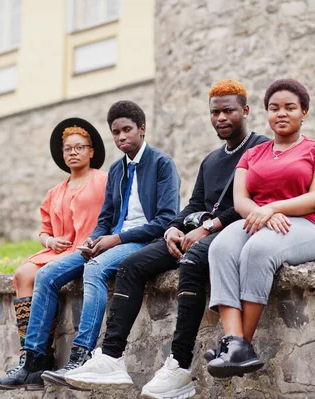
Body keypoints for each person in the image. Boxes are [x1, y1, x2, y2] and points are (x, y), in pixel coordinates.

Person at [65, 80, 270, 398]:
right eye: (215, 112)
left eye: (228, 110)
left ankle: (180, 366)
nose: (220, 118)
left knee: (191, 262)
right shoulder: (212, 160)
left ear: (245, 110)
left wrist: (208, 227)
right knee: (131, 265)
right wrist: (173, 227)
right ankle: (111, 358)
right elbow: (194, 203)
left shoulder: (261, 149)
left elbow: (254, 203)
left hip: (232, 233)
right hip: (193, 232)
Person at [0, 100, 181, 391]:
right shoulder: (117, 170)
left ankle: (81, 356)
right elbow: (105, 219)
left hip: (142, 241)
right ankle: (34, 362)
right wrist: (94, 240)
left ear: (142, 129)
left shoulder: (162, 164)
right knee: (47, 274)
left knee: (95, 269)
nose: (121, 137)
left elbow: (165, 220)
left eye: (127, 130)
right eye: (116, 132)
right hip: (111, 240)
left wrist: (115, 239)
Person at [206, 78, 315, 379]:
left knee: (259, 249)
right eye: (274, 108)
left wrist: (273, 208)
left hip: (310, 227)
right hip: (260, 220)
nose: (281, 113)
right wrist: (264, 214)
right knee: (221, 247)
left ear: (303, 112)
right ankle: (232, 342)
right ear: (266, 113)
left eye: (290, 107)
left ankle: (243, 344)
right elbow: (241, 200)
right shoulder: (253, 153)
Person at [5, 118, 108, 376]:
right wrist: (50, 241)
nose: (72, 153)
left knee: (42, 276)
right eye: (67, 149)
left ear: (91, 150)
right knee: (21, 275)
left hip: (87, 247)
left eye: (79, 147)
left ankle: (35, 357)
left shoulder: (103, 181)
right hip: (57, 249)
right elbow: (44, 230)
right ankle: (32, 356)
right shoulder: (54, 191)